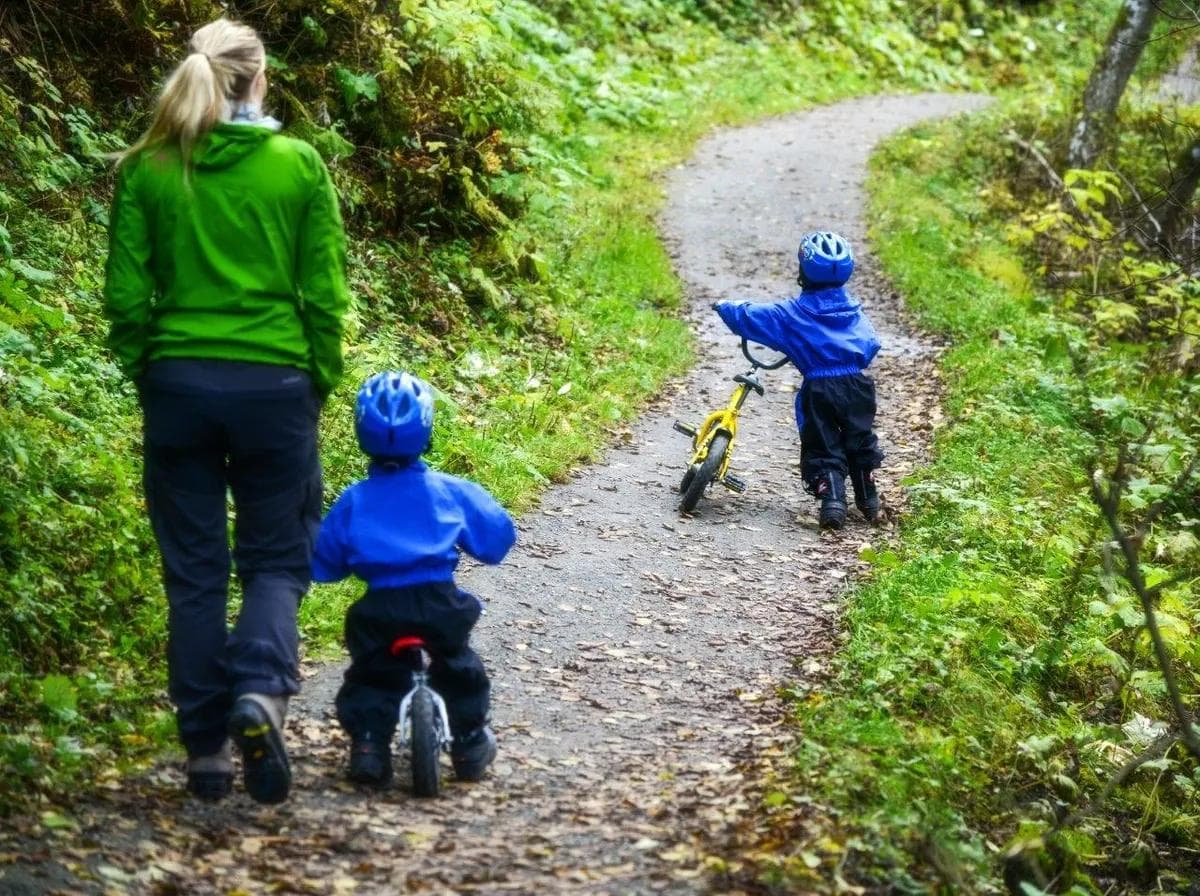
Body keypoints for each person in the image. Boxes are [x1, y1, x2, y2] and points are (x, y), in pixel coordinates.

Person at [103, 18, 350, 804]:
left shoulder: (149, 169)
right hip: (275, 388)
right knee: (277, 557)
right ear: (259, 79)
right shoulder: (297, 166)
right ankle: (260, 693)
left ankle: (206, 751)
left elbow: (125, 297)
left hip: (178, 387)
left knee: (195, 574)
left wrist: (150, 372)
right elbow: (327, 297)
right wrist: (318, 380)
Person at [311, 371, 516, 787]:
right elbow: (496, 539)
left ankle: (369, 745)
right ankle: (470, 743)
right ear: (426, 430)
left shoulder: (354, 500)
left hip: (379, 608)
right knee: (459, 666)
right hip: (438, 602)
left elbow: (324, 565)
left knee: (372, 672)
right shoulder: (450, 491)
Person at [713, 231, 883, 529]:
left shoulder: (791, 314)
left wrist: (726, 306)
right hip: (858, 386)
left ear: (803, 270)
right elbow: (870, 344)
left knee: (822, 441)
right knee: (859, 436)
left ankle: (832, 501)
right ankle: (869, 499)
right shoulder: (854, 311)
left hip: (818, 387)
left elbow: (752, 317)